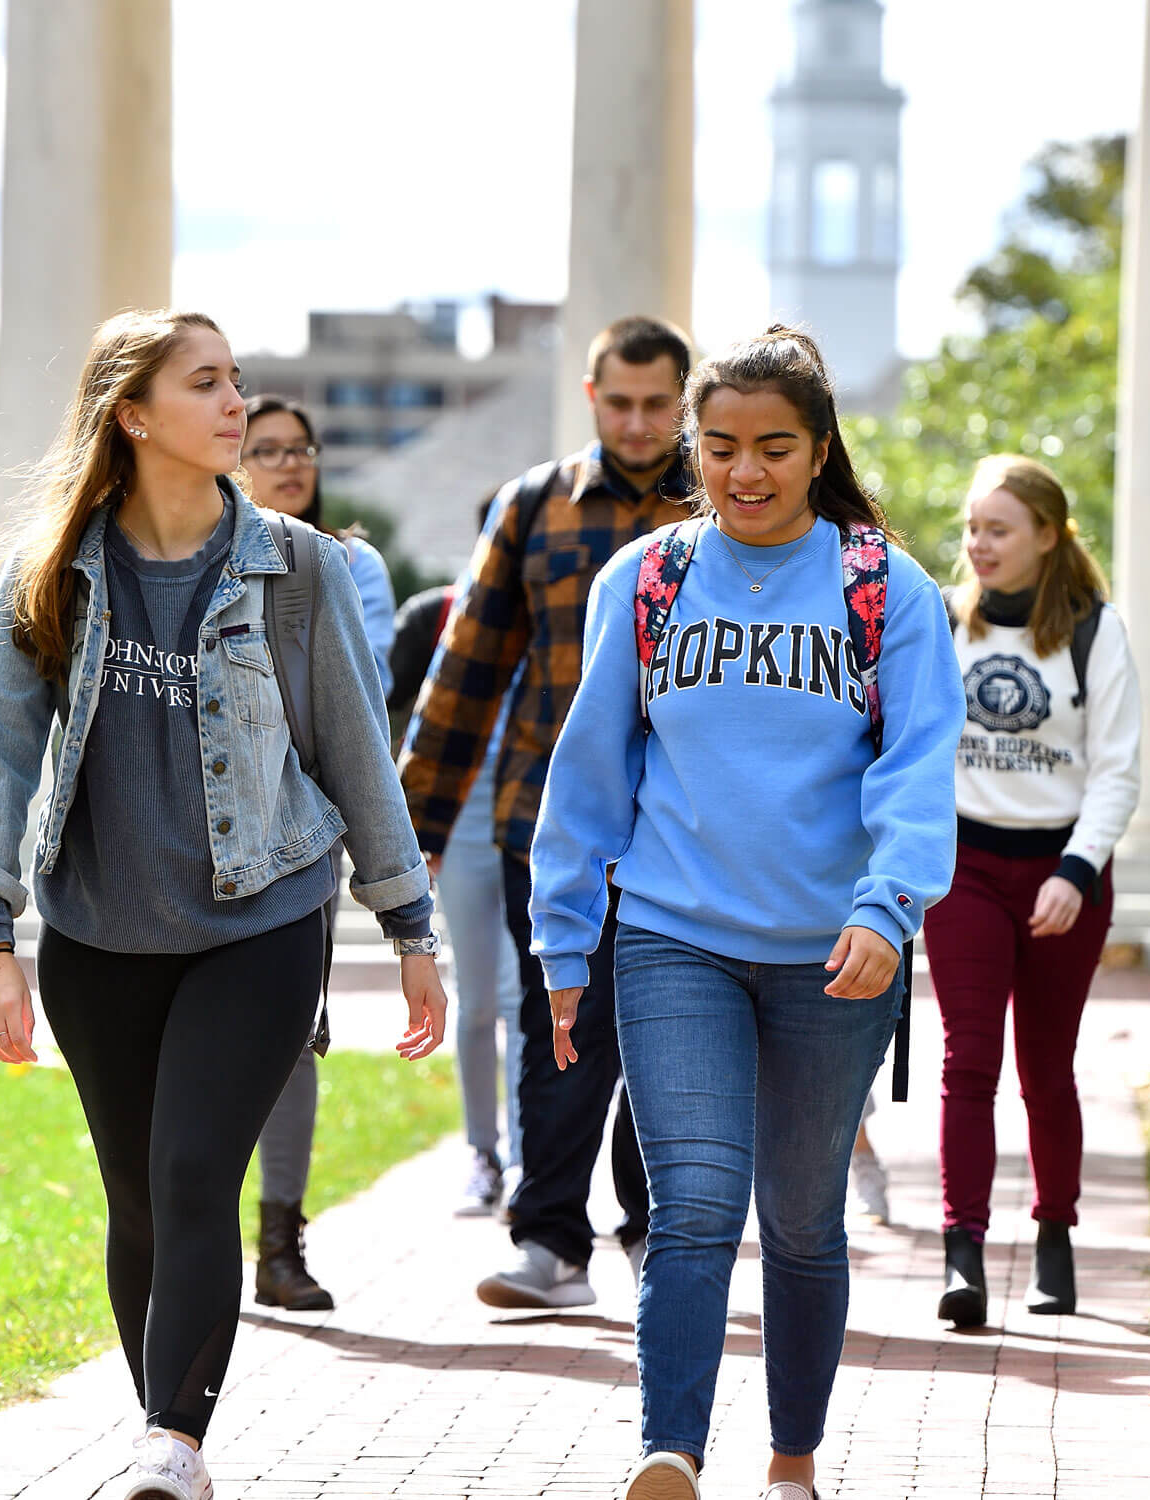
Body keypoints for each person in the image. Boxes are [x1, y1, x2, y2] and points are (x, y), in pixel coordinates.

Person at [0, 309, 447, 1500]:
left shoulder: (294, 563)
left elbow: (353, 752)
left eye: (237, 381)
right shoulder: (49, 571)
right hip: (97, 936)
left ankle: (172, 1445)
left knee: (189, 1175)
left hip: (260, 921)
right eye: (206, 384)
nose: (238, 406)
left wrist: (408, 923)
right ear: (132, 415)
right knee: (137, 1202)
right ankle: (164, 1436)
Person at [529, 326, 964, 1500]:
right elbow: (592, 772)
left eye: (774, 447)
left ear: (820, 450)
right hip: (676, 936)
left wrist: (888, 908)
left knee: (806, 1221)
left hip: (839, 956)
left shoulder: (888, 589)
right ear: (693, 448)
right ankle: (668, 1449)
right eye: (719, 447)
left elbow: (921, 768)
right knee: (695, 1202)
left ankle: (792, 1462)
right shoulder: (649, 579)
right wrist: (565, 940)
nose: (746, 472)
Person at [400, 315, 695, 1307]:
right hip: (553, 818)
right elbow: (466, 670)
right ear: (591, 396)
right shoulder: (535, 507)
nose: (641, 421)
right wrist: (415, 835)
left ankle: (658, 1234)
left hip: (689, 826)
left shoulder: (722, 503)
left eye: (660, 404)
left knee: (667, 1034)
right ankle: (552, 1243)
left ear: (683, 401)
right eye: (621, 402)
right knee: (561, 1031)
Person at [927, 454, 1140, 1328]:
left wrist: (1077, 871)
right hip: (965, 869)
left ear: (1048, 538)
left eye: (999, 530)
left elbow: (1118, 771)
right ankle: (963, 1255)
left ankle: (1054, 1237)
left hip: (1063, 874)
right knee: (968, 1059)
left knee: (1046, 1071)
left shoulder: (1096, 632)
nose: (979, 545)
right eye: (972, 527)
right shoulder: (943, 624)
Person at [236, 394, 396, 1311]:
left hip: (305, 823)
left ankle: (279, 1240)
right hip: (195, 828)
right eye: (269, 450)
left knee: (297, 1033)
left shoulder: (346, 562)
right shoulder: (193, 555)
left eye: (301, 450)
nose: (290, 465)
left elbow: (357, 683)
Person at [390, 568, 524, 1215]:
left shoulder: (556, 616)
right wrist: (425, 826)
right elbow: (414, 725)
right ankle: (484, 1152)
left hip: (536, 814)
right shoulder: (441, 618)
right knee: (477, 999)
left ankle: (529, 1156)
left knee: (526, 992)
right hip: (466, 818)